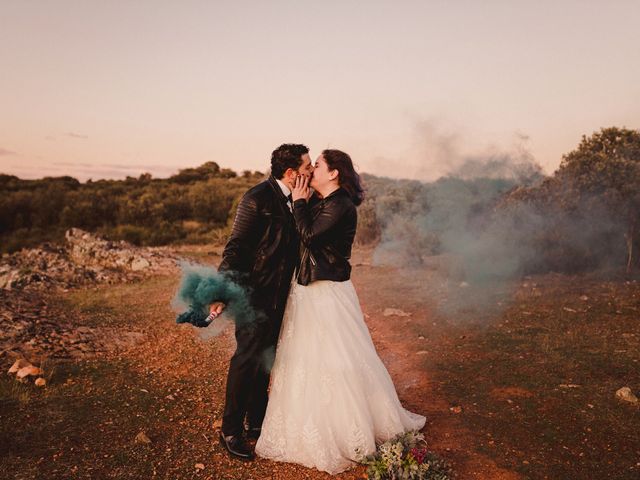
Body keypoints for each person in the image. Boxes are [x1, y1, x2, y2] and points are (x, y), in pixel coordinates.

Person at [255, 150, 426, 474]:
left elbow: (309, 235)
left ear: (333, 173)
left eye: (317, 165)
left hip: (327, 292)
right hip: (308, 289)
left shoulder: (340, 204)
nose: (311, 171)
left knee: (338, 359)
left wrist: (301, 202)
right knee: (307, 358)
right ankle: (309, 419)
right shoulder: (324, 202)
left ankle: (349, 426)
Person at [214, 143, 314, 460]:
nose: (311, 171)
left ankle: (256, 422)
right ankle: (230, 430)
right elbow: (236, 248)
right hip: (254, 294)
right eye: (307, 167)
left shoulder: (298, 200)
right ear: (291, 172)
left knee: (265, 359)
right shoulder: (257, 198)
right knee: (246, 359)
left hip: (280, 296)